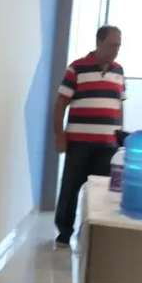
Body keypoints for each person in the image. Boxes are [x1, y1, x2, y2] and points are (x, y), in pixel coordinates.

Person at [54, 26, 125, 247]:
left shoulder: (119, 71)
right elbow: (60, 104)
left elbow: (118, 105)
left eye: (118, 46)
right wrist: (59, 136)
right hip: (79, 144)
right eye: (112, 45)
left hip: (108, 145)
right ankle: (64, 233)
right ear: (99, 42)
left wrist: (119, 135)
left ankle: (94, 236)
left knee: (101, 192)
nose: (116, 50)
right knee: (70, 189)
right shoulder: (76, 68)